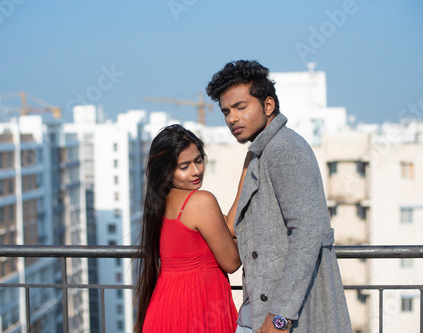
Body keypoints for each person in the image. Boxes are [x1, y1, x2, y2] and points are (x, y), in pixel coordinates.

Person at [206, 60, 352, 333]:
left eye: (241, 107)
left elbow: (308, 232)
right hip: (258, 312)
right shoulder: (261, 152)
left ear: (268, 105)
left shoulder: (284, 149)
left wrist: (280, 318)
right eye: (226, 111)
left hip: (282, 318)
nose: (232, 118)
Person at [134, 124, 242, 333]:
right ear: (166, 171)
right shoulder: (201, 201)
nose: (196, 171)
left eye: (199, 160)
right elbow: (232, 262)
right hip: (197, 311)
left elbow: (229, 226)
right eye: (184, 166)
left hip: (165, 313)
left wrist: (246, 171)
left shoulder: (163, 202)